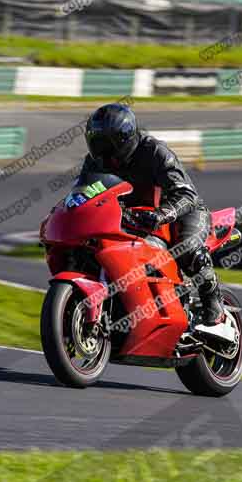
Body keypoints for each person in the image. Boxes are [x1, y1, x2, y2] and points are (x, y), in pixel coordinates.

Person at [77, 103, 227, 336]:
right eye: (98, 145)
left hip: (181, 212)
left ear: (125, 138)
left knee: (187, 249)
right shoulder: (93, 162)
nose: (103, 152)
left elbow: (186, 194)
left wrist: (161, 214)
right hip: (133, 217)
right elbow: (83, 193)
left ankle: (213, 303)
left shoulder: (154, 152)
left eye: (108, 145)